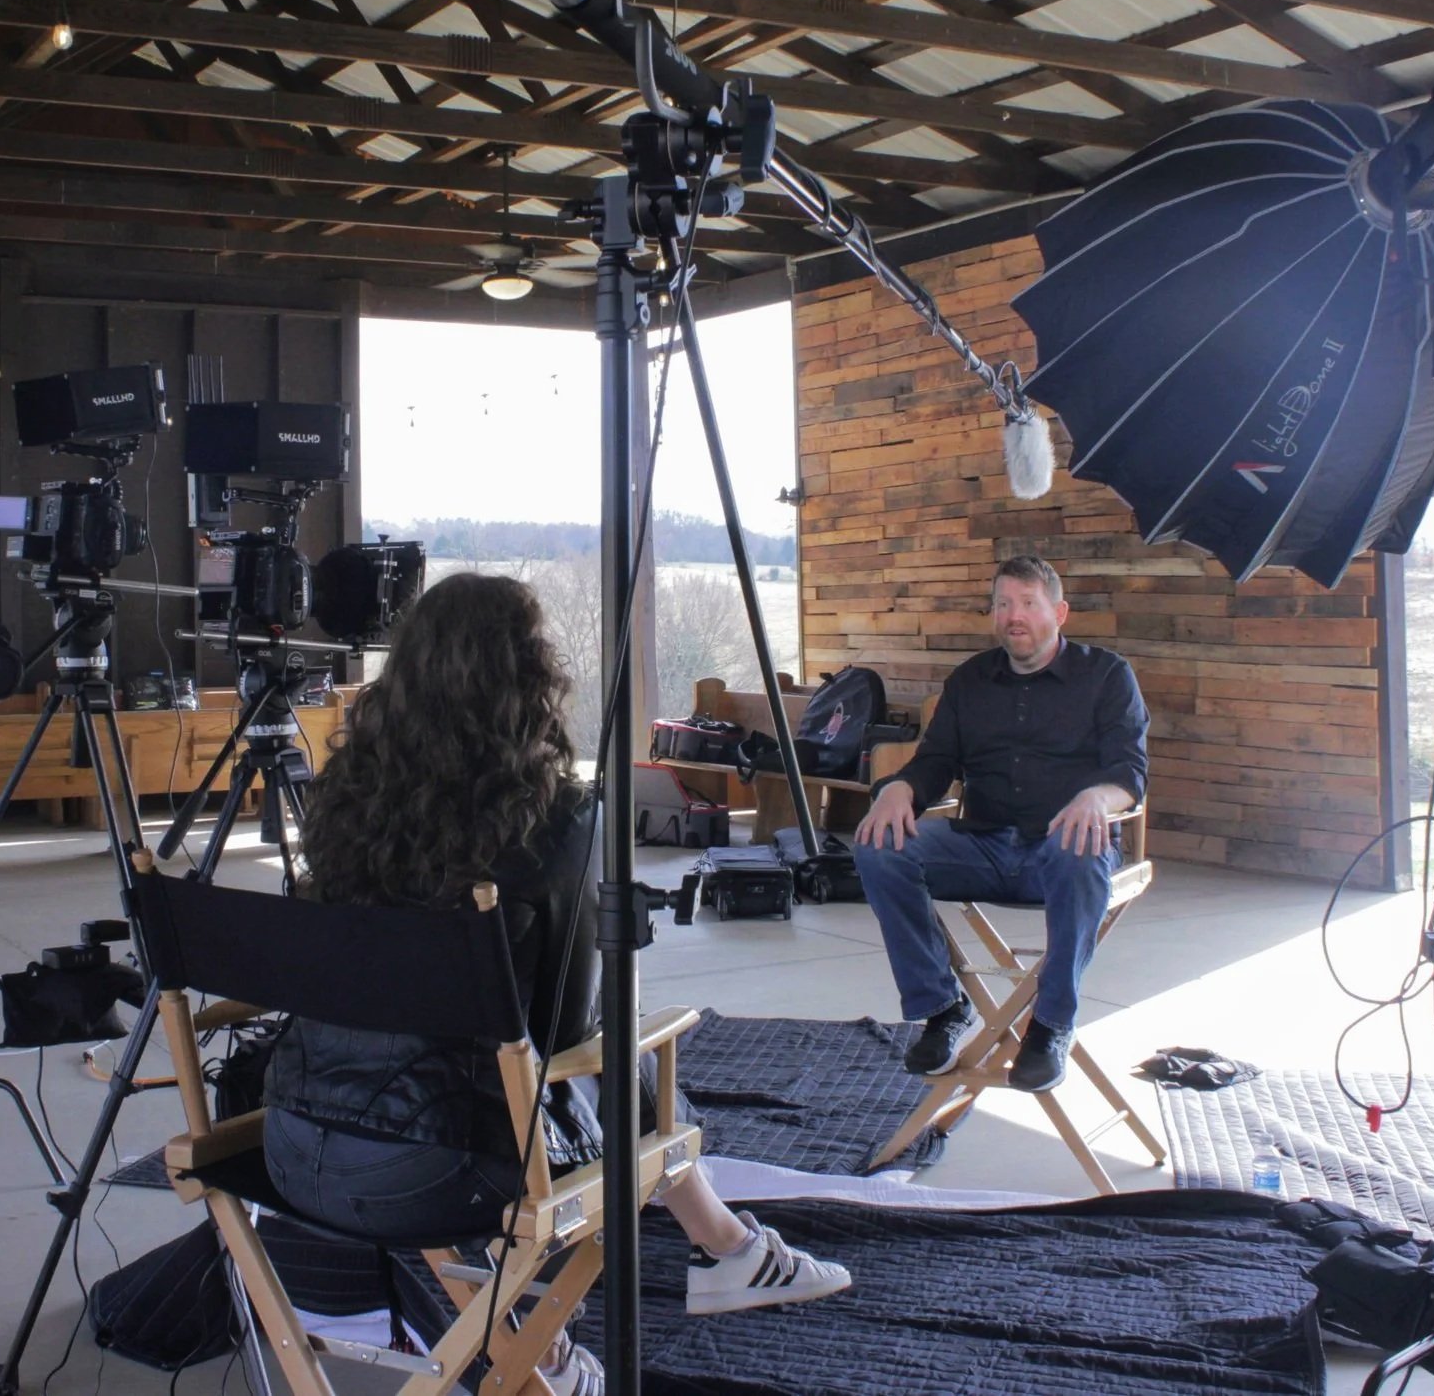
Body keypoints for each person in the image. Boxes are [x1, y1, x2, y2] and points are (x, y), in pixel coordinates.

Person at [261, 572, 850, 1394]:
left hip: (288, 1147)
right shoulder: (560, 821)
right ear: (531, 675)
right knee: (623, 1047)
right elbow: (567, 1038)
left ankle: (716, 1254)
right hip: (436, 1170)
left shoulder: (340, 802)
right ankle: (687, 1270)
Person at [852, 555, 1150, 1091]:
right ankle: (941, 1007)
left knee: (1076, 847)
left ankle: (1052, 1023)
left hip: (1065, 849)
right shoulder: (970, 681)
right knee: (879, 847)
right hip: (982, 843)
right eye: (1004, 603)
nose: (1014, 615)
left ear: (1060, 612)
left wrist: (1095, 799)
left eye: (1029, 603)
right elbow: (935, 762)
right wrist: (897, 788)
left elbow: (1129, 772)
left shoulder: (1107, 676)